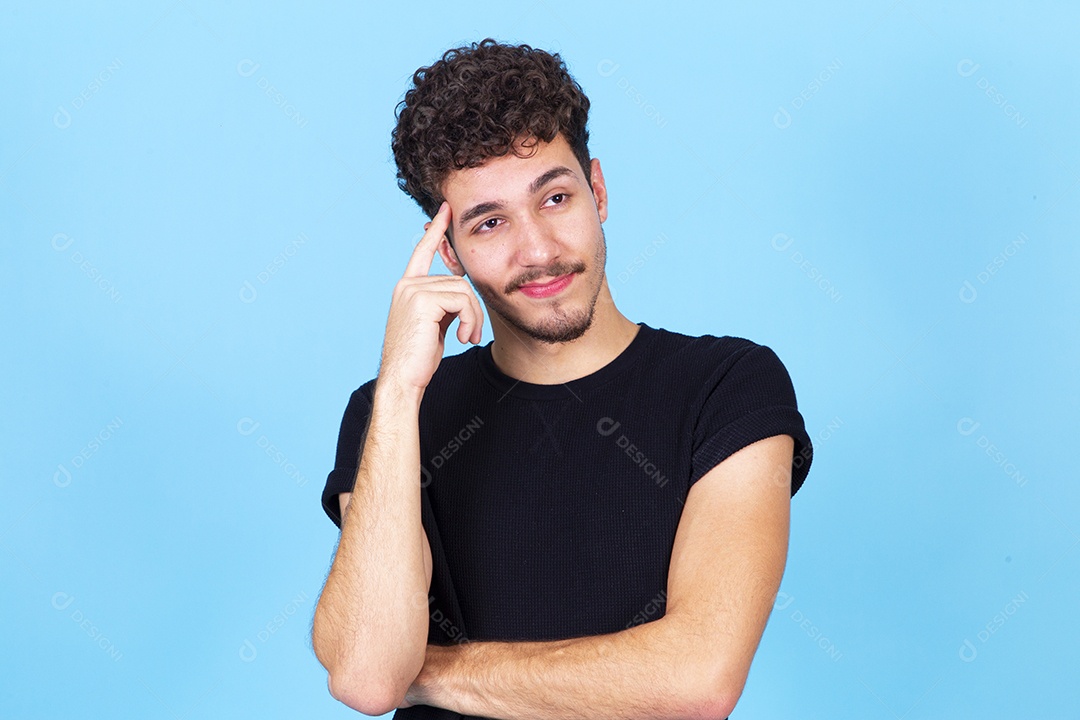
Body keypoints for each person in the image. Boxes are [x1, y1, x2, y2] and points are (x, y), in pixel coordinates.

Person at [311, 38, 813, 720]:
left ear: (597, 190)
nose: (539, 250)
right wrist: (399, 393)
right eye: (490, 223)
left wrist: (420, 671)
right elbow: (368, 678)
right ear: (449, 254)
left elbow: (697, 680)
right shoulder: (390, 415)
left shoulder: (728, 387)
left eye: (553, 198)